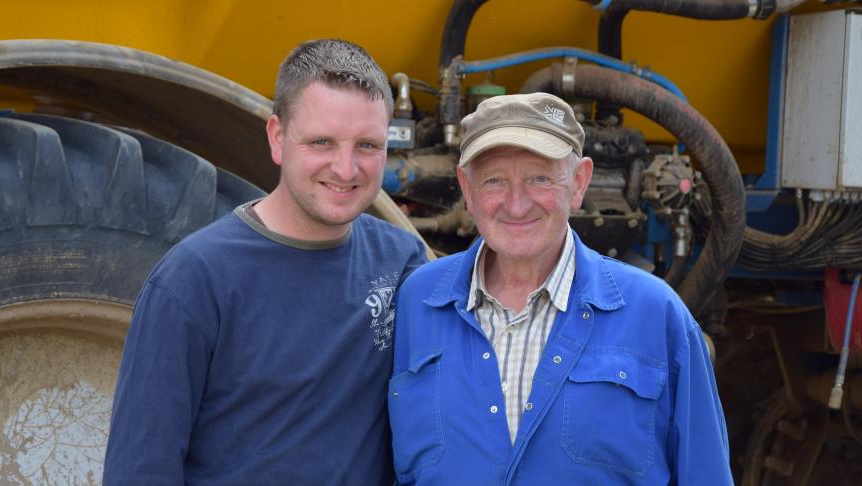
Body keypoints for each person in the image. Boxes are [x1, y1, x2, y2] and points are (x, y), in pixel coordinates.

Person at [103, 39, 427, 485]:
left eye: (367, 145)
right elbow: (141, 469)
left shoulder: (399, 261)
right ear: (277, 137)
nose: (347, 168)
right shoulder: (194, 280)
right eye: (322, 141)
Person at [388, 92, 732, 485]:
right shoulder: (418, 303)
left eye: (539, 178)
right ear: (466, 188)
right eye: (495, 180)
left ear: (579, 182)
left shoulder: (656, 314)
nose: (516, 205)